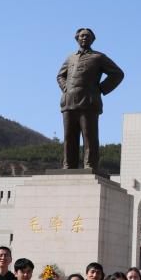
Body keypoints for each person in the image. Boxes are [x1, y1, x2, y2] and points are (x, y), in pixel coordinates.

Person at [56, 26, 125, 171]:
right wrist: (65, 88)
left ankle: (90, 164)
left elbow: (117, 74)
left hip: (88, 102)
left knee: (89, 136)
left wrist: (101, 89)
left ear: (93, 39)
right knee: (69, 136)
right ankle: (68, 164)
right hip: (68, 102)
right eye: (82, 35)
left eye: (87, 36)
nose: (84, 38)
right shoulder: (70, 58)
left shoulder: (98, 57)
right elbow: (60, 75)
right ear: (77, 39)